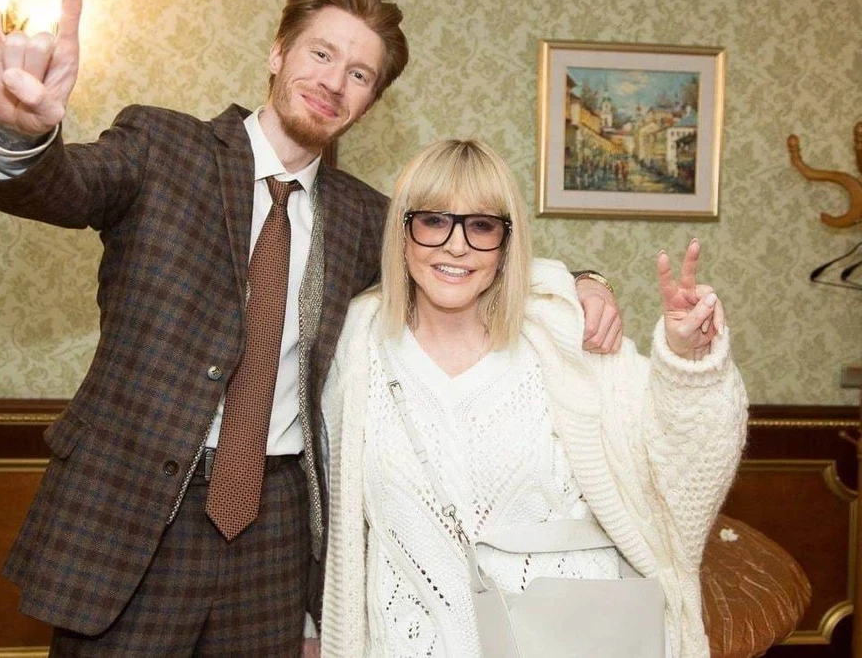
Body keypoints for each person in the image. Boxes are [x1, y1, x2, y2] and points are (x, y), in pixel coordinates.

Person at [0, 0, 623, 655]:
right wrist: (21, 135)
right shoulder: (163, 148)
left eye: (360, 74)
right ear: (278, 53)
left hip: (276, 530)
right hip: (133, 519)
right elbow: (57, 186)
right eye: (321, 54)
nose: (334, 82)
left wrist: (581, 280)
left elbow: (464, 254)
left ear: (369, 103)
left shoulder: (366, 217)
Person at [320, 140, 748, 657]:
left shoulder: (565, 338)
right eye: (433, 221)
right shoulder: (355, 347)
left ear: (506, 244)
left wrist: (687, 361)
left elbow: (681, 469)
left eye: (481, 226)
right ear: (402, 233)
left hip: (573, 640)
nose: (456, 246)